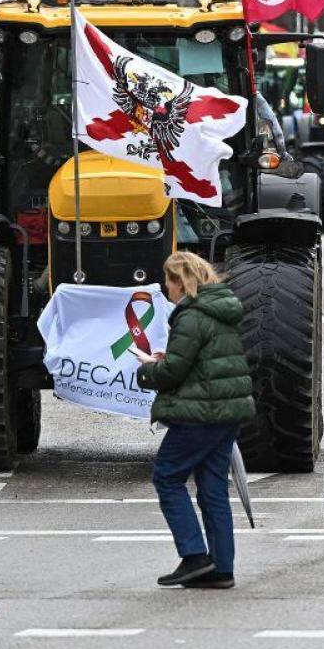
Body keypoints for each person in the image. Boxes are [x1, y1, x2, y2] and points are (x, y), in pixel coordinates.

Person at [132, 252, 255, 590]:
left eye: (168, 281)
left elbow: (175, 371)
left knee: (167, 477)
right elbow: (202, 361)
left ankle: (194, 555)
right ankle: (221, 568)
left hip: (200, 414)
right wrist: (168, 358)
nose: (166, 288)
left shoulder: (190, 316)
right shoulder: (221, 309)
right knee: (213, 488)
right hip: (227, 411)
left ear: (180, 281)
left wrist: (147, 370)